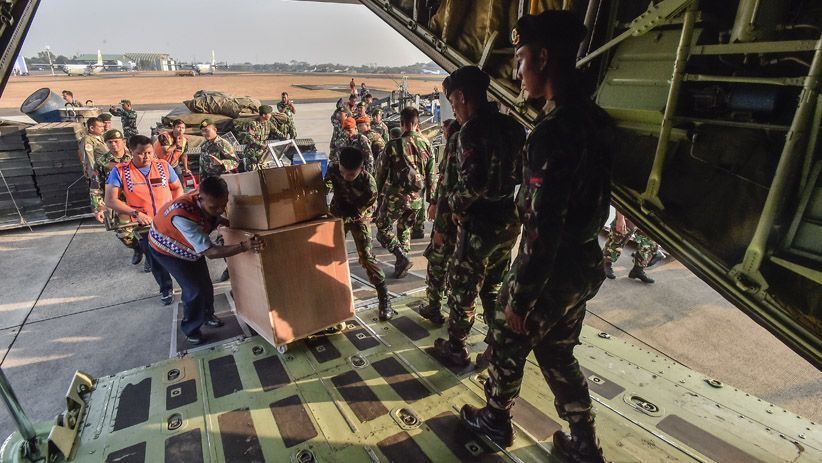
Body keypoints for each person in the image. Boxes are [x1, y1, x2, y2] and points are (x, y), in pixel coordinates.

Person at [458, 12, 612, 463]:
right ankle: (584, 441)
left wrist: (521, 298)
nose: (518, 70)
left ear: (543, 58)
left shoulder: (553, 131)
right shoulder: (595, 120)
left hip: (552, 267)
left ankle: (495, 417)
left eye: (521, 58)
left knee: (507, 334)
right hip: (583, 262)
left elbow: (543, 227)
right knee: (557, 350)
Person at [430, 66, 525, 369]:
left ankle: (456, 348)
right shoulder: (512, 127)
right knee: (494, 285)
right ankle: (497, 342)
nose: (454, 110)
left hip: (478, 225)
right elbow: (522, 173)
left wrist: (455, 205)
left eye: (453, 102)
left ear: (461, 96)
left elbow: (473, 183)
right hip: (507, 219)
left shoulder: (471, 131)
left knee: (463, 288)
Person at [149, 176, 264, 345]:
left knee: (205, 284)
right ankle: (191, 329)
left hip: (191, 248)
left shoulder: (207, 200)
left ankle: (207, 315)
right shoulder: (182, 216)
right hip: (167, 249)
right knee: (194, 290)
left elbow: (215, 218)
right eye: (214, 207)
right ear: (200, 198)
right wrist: (244, 246)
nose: (219, 209)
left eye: (223, 204)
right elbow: (211, 252)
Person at [105, 135, 184, 306]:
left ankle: (187, 286)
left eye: (149, 152)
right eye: (141, 153)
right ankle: (165, 288)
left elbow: (177, 187)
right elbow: (110, 200)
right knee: (155, 260)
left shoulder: (163, 166)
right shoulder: (120, 171)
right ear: (131, 151)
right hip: (144, 225)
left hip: (168, 222)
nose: (146, 157)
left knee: (179, 255)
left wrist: (175, 208)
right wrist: (136, 213)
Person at [325, 147, 395, 321]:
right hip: (337, 212)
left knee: (366, 258)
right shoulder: (334, 168)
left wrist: (346, 216)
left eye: (350, 175)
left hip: (358, 217)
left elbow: (357, 212)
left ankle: (384, 298)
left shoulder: (369, 187)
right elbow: (326, 183)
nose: (344, 177)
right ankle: (331, 298)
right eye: (342, 172)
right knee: (330, 254)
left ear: (361, 169)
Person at [375, 107, 435, 278]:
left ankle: (401, 256)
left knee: (382, 228)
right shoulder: (427, 145)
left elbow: (381, 173)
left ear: (402, 123)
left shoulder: (393, 145)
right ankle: (402, 263)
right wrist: (432, 201)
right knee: (405, 227)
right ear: (417, 123)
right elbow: (431, 175)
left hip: (396, 197)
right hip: (416, 199)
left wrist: (376, 195)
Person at [420, 118, 460, 325]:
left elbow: (446, 186)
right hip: (465, 219)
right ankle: (454, 307)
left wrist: (441, 227)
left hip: (449, 218)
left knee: (437, 262)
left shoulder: (455, 144)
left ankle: (434, 307)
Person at [90, 129, 141, 266]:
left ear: (123, 141)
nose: (114, 145)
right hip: (117, 203)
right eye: (110, 142)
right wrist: (98, 207)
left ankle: (150, 256)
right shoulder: (102, 162)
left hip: (138, 200)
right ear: (106, 144)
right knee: (124, 235)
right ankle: (137, 248)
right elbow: (95, 186)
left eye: (116, 141)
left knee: (146, 229)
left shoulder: (135, 156)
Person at [603, 211, 661, 284]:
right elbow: (621, 204)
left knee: (651, 243)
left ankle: (638, 270)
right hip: (630, 213)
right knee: (618, 237)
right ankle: (605, 263)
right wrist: (620, 218)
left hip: (647, 217)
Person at [236, 105, 274, 171]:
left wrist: (286, 139)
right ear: (264, 115)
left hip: (261, 151)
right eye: (269, 113)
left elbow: (277, 132)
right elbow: (249, 137)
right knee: (252, 171)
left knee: (263, 168)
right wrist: (261, 145)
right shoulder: (253, 124)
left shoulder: (268, 123)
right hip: (252, 152)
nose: (271, 115)